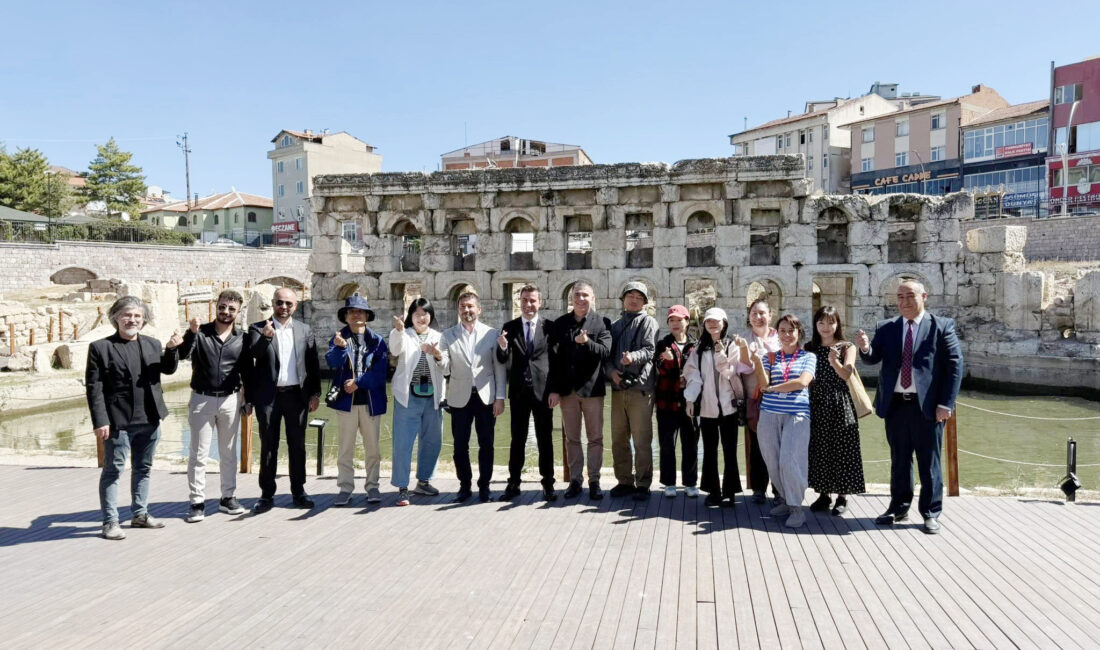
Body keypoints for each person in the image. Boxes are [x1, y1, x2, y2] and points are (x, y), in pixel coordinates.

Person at [857, 280, 963, 534]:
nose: (904, 301)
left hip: (927, 407)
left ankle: (930, 512)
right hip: (895, 406)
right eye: (900, 296)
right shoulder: (887, 327)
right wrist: (865, 347)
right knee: (900, 461)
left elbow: (955, 367)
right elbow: (873, 358)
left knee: (929, 463)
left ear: (924, 296)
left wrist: (946, 404)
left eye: (910, 296)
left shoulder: (941, 326)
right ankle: (899, 507)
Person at [86, 296, 182, 540]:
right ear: (116, 318)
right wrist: (100, 421)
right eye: (127, 315)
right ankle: (110, 521)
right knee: (113, 470)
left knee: (144, 468)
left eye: (137, 316)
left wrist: (172, 350)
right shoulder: (100, 348)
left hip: (149, 419)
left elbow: (167, 369)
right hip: (118, 422)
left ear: (144, 320)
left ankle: (140, 514)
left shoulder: (152, 344)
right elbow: (94, 388)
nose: (132, 319)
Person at [177, 289, 251, 523]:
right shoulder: (201, 333)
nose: (225, 312)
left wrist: (247, 400)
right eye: (222, 307)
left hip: (231, 398)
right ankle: (197, 502)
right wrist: (191, 333)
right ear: (215, 306)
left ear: (238, 312)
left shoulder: (243, 337)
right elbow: (182, 354)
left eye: (231, 309)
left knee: (229, 452)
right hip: (202, 398)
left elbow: (247, 370)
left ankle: (227, 497)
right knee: (198, 453)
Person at [245, 287, 321, 513]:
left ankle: (299, 491)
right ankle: (266, 495)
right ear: (273, 303)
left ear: (295, 306)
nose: (284, 307)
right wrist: (266, 339)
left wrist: (315, 393)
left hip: (296, 395)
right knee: (269, 446)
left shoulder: (305, 330)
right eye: (280, 303)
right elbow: (251, 358)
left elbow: (312, 364)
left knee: (297, 446)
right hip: (269, 397)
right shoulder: (258, 328)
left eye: (289, 303)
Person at [437, 292, 507, 503]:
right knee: (460, 446)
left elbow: (499, 368)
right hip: (459, 397)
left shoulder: (492, 333)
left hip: (486, 397)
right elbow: (446, 368)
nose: (466, 311)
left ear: (479, 309)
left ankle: (484, 486)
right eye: (462, 307)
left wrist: (500, 397)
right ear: (458, 310)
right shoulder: (447, 335)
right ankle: (464, 485)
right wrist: (438, 357)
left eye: (470, 307)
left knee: (487, 445)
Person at [548, 281, 612, 500]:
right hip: (568, 391)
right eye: (577, 295)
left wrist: (586, 343)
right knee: (572, 438)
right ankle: (576, 480)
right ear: (571, 298)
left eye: (585, 295)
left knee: (595, 438)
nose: (581, 299)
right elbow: (554, 360)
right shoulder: (560, 324)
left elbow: (605, 352)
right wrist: (554, 390)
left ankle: (594, 480)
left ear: (592, 298)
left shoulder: (602, 323)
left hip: (592, 389)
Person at [683, 308, 753, 508]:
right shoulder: (699, 349)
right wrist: (690, 399)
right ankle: (713, 491)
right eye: (708, 322)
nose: (712, 325)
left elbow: (729, 372)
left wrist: (720, 351)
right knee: (710, 451)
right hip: (707, 407)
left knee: (730, 450)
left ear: (724, 323)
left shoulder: (732, 345)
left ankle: (729, 492)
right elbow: (693, 375)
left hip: (729, 407)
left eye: (716, 321)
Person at [751, 313, 816, 528]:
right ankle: (787, 501)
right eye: (782, 331)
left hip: (796, 414)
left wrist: (773, 389)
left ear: (799, 333)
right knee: (772, 460)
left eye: (791, 330)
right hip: (769, 413)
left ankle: (797, 508)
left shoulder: (808, 357)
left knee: (790, 460)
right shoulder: (769, 357)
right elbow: (763, 382)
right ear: (777, 333)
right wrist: (754, 361)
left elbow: (802, 382)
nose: (787, 335)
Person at [496, 284, 557, 502]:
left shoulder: (549, 327)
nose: (528, 305)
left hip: (543, 393)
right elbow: (502, 360)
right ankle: (513, 483)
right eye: (524, 300)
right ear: (519, 302)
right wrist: (502, 347)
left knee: (545, 440)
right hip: (519, 392)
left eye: (532, 300)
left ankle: (548, 483)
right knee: (517, 440)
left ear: (540, 303)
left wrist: (555, 391)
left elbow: (556, 362)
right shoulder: (509, 327)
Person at [326, 294, 388, 507]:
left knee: (373, 449)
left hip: (371, 401)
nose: (356, 315)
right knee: (345, 448)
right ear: (346, 316)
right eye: (352, 311)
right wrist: (341, 348)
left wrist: (359, 382)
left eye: (360, 311)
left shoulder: (377, 341)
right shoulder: (338, 338)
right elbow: (332, 362)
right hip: (346, 402)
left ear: (367, 316)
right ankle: (345, 488)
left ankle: (372, 486)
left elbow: (381, 373)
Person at [805, 305, 865, 517]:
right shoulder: (809, 347)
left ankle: (842, 496)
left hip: (840, 402)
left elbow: (846, 374)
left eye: (831, 322)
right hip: (817, 403)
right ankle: (823, 494)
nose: (826, 327)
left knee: (843, 448)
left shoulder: (847, 346)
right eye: (821, 322)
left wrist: (834, 362)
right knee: (819, 448)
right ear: (816, 324)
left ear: (837, 323)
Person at [388, 298, 445, 506]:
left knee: (432, 440)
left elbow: (445, 367)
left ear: (431, 316)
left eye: (426, 313)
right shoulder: (405, 335)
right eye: (417, 314)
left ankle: (424, 481)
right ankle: (402, 487)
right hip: (408, 396)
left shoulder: (439, 337)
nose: (422, 318)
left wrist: (437, 354)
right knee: (403, 442)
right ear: (411, 316)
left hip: (432, 396)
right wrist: (399, 330)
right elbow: (395, 350)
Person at [605, 282, 659, 500]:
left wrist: (632, 358)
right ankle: (624, 480)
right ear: (623, 299)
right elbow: (607, 357)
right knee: (618, 438)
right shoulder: (616, 325)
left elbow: (649, 349)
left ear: (644, 302)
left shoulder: (649, 322)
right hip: (619, 388)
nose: (634, 299)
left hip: (641, 389)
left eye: (639, 296)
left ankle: (644, 483)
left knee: (641, 439)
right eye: (630, 295)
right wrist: (612, 373)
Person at [653, 305, 699, 498]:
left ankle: (690, 483)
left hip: (690, 402)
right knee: (667, 444)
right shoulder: (662, 344)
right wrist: (671, 364)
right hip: (666, 402)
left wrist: (681, 375)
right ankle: (669, 483)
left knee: (691, 443)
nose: (675, 324)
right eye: (672, 320)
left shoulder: (695, 346)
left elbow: (698, 373)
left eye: (679, 320)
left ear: (687, 322)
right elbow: (661, 371)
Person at [741, 298, 780, 504]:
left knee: (778, 445)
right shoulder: (743, 339)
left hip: (779, 397)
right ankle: (758, 488)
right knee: (756, 445)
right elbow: (741, 368)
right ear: (749, 316)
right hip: (755, 399)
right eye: (754, 313)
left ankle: (778, 488)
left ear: (770, 315)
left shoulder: (781, 336)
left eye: (762, 313)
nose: (758, 317)